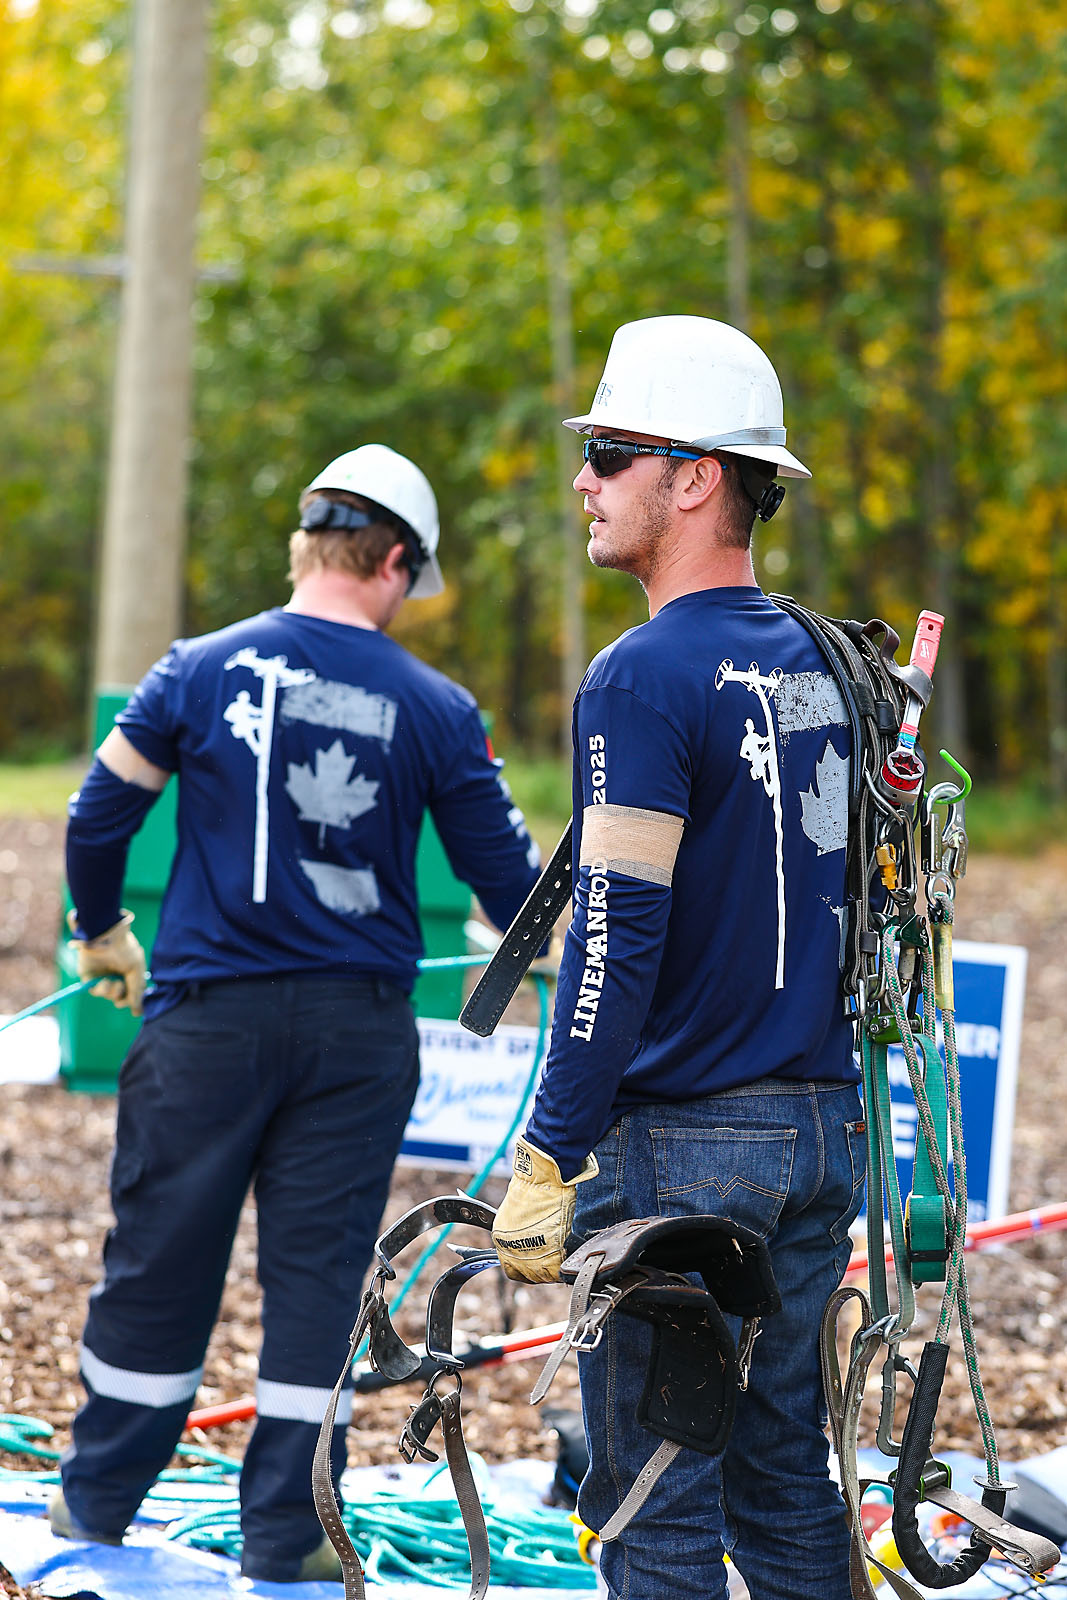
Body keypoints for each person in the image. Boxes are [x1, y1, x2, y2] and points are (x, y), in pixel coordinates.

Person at [54, 444, 542, 1582]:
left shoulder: (196, 668)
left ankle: (94, 1508)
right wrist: (503, 942)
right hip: (355, 1035)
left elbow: (96, 815)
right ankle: (287, 1533)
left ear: (300, 548)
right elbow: (513, 886)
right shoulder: (437, 706)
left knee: (159, 1260)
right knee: (320, 1278)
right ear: (392, 562)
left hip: (205, 1024)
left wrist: (98, 929)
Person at [491, 317, 865, 1600]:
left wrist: (551, 1145)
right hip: (821, 1135)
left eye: (608, 451)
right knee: (781, 1477)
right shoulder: (827, 663)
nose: (583, 480)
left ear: (696, 474)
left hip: (687, 1154)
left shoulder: (640, 674)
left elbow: (612, 935)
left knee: (649, 1493)